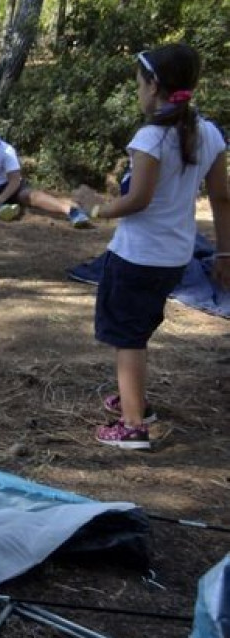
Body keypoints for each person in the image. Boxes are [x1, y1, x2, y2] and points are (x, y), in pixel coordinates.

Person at [75, 44, 229, 450]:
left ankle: (132, 425)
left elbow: (137, 199)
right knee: (139, 326)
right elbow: (222, 198)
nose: (138, 93)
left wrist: (97, 207)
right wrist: (225, 252)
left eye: (139, 85)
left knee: (127, 336)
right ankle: (136, 400)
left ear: (154, 85)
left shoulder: (151, 137)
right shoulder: (209, 133)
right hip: (174, 257)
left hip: (137, 256)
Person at [0, 117, 94, 228]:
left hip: (9, 188)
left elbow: (15, 180)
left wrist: (2, 197)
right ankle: (0, 210)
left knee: (31, 195)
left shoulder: (6, 151)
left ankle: (70, 211)